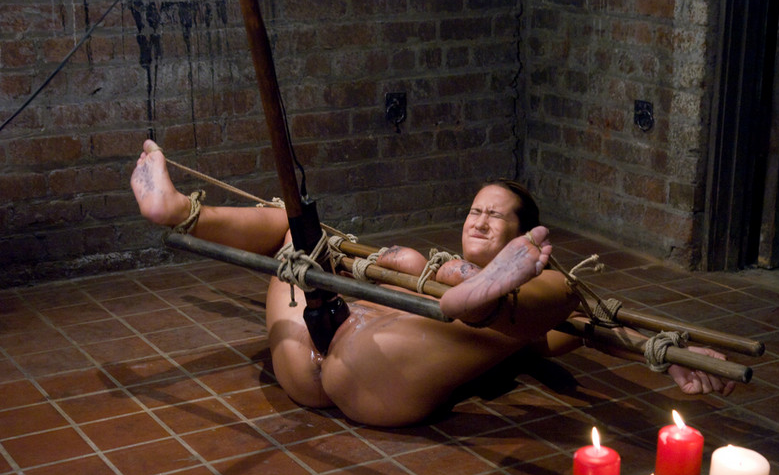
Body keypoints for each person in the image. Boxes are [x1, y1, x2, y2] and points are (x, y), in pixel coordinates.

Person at [131, 140, 735, 427]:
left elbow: (592, 330)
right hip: (311, 350)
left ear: (523, 234)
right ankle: (178, 210)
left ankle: (475, 301)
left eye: (497, 216)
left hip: (380, 374)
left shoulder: (537, 299)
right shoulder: (421, 259)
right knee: (300, 230)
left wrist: (667, 354)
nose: (480, 219)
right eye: (475, 210)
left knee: (562, 293)